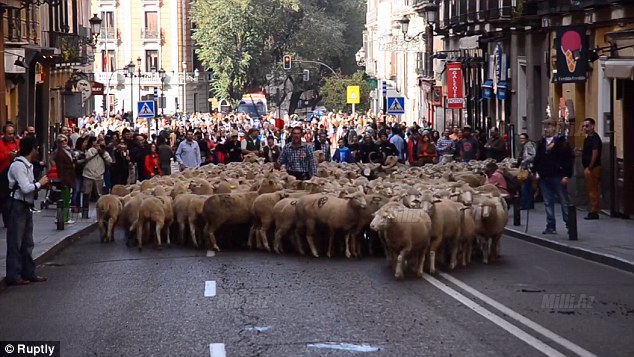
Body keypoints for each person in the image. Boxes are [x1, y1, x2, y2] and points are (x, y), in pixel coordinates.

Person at [5, 135, 50, 286]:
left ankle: (28, 272)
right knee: (15, 241)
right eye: (36, 147)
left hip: (26, 205)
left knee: (27, 242)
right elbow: (25, 188)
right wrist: (39, 184)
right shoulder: (18, 166)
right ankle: (14, 275)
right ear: (32, 149)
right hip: (17, 205)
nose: (38, 150)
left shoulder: (28, 165)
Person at [533, 119, 574, 235]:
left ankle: (570, 225)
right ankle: (550, 225)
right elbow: (538, 159)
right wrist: (536, 171)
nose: (546, 129)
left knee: (564, 201)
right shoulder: (541, 143)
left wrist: (566, 175)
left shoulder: (562, 143)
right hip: (544, 176)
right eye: (545, 127)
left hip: (558, 175)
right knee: (548, 202)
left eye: (549, 126)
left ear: (555, 128)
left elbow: (568, 160)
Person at [580, 118, 602, 220]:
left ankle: (594, 211)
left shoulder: (594, 138)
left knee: (593, 190)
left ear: (592, 126)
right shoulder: (588, 138)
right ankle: (593, 209)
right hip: (589, 167)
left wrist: (590, 166)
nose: (585, 128)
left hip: (593, 168)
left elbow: (595, 153)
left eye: (587, 126)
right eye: (583, 126)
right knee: (591, 189)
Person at [518, 133, 536, 210]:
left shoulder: (528, 145)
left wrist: (524, 161)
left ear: (526, 139)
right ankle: (530, 203)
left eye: (523, 138)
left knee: (524, 187)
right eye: (520, 138)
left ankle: (524, 204)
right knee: (528, 187)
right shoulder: (525, 146)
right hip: (528, 168)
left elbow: (533, 155)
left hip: (528, 168)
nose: (521, 140)